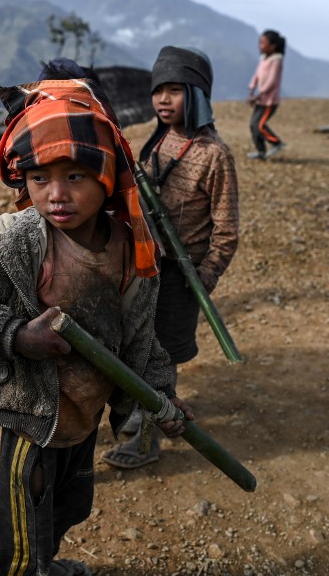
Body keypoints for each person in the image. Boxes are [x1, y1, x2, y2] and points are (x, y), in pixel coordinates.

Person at [0, 77, 193, 576]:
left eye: (75, 176)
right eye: (38, 180)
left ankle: (45, 566)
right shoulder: (19, 241)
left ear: (107, 174)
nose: (56, 195)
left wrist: (160, 395)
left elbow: (139, 337)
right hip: (33, 418)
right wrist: (18, 335)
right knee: (19, 530)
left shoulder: (129, 246)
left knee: (66, 508)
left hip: (84, 415)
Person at [101, 45, 239, 470]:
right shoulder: (157, 142)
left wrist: (204, 277)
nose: (163, 99)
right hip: (143, 267)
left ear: (196, 94)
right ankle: (132, 423)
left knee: (158, 357)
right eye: (158, 90)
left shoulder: (215, 155)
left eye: (175, 90)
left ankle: (142, 441)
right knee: (133, 349)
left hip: (180, 277)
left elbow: (227, 230)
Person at [246, 29, 287, 160]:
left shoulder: (276, 61)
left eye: (263, 43)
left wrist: (258, 95)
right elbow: (257, 75)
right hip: (260, 100)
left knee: (260, 125)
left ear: (273, 46)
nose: (260, 46)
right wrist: (251, 88)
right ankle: (261, 152)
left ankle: (277, 143)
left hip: (269, 101)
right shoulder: (263, 59)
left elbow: (272, 82)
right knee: (253, 125)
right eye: (260, 42)